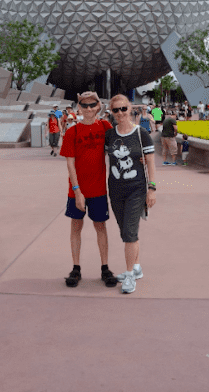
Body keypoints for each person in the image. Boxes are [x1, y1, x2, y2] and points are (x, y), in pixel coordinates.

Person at [59, 91, 117, 288]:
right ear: (79, 108)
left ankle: (105, 268)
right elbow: (70, 164)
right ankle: (76, 268)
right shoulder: (72, 132)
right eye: (85, 105)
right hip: (77, 190)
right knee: (76, 227)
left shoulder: (105, 126)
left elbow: (120, 145)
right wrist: (77, 192)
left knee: (101, 227)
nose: (89, 109)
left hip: (99, 189)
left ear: (99, 106)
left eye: (93, 105)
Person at [105, 94, 157, 294]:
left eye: (123, 109)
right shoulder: (110, 135)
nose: (120, 113)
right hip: (116, 189)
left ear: (130, 109)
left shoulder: (140, 133)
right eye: (115, 110)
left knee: (129, 232)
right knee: (125, 231)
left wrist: (152, 188)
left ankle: (128, 275)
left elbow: (150, 162)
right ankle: (136, 267)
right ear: (112, 112)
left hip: (136, 189)